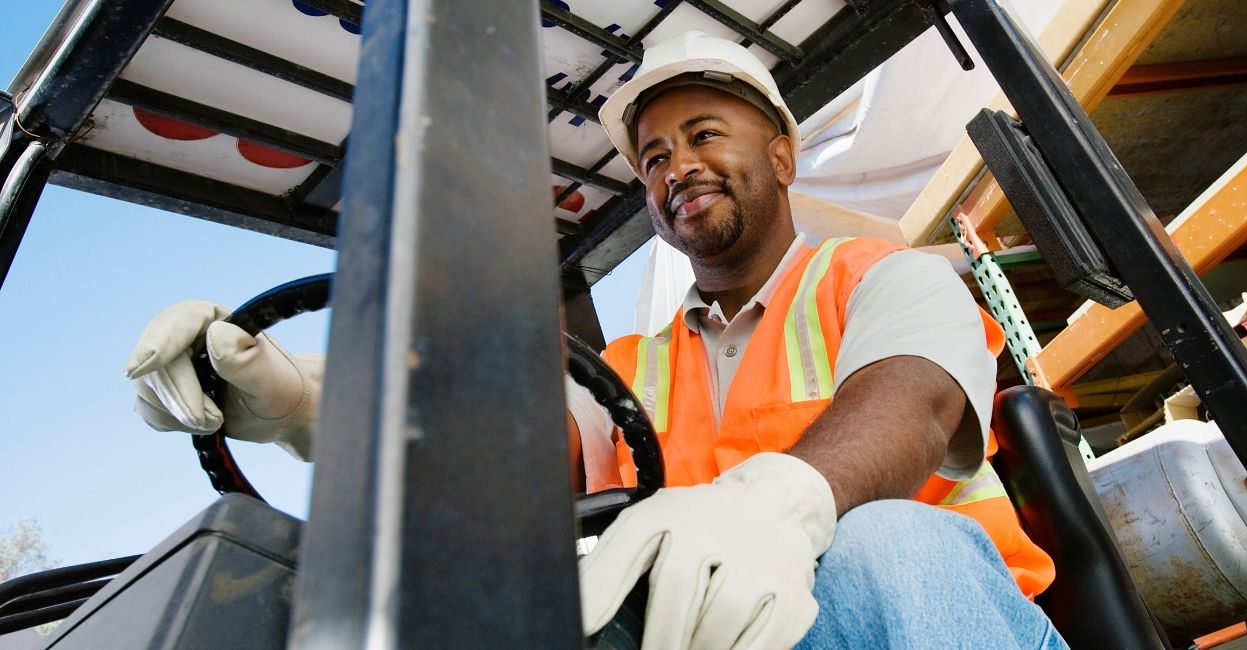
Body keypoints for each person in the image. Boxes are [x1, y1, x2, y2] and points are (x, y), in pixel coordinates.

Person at [127, 31, 1064, 649]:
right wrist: (298, 400)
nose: (677, 167)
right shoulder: (623, 373)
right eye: (654, 157)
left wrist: (778, 506)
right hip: (718, 638)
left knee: (887, 543)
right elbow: (477, 440)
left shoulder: (882, 276)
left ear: (781, 154)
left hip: (928, 617)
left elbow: (913, 396)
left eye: (704, 135)